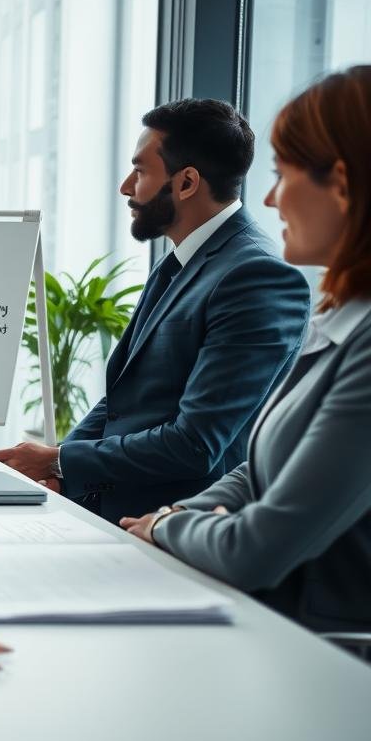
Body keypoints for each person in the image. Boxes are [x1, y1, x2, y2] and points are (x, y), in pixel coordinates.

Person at [121, 66, 371, 633]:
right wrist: (176, 514)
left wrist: (164, 528)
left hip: (323, 654)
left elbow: (264, 543)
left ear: (341, 183)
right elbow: (259, 472)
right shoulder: (342, 313)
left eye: (283, 174)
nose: (269, 197)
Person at [0, 99, 310, 521]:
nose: (126, 186)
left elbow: (196, 443)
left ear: (187, 183)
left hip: (177, 529)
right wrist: (57, 464)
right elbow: (121, 405)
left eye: (140, 171)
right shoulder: (181, 260)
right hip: (113, 512)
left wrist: (58, 461)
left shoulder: (258, 276)